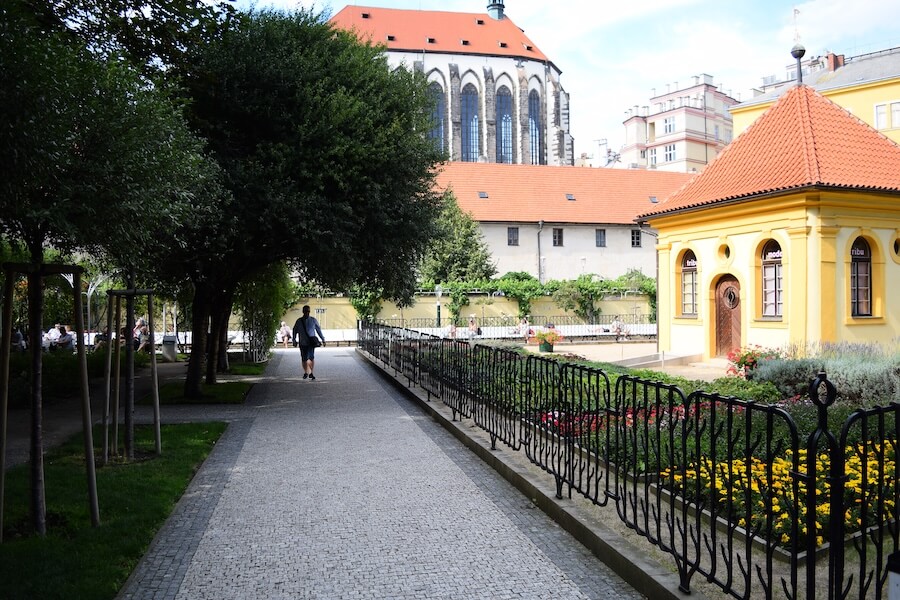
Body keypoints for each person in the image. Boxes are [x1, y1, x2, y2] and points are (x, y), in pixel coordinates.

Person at [292, 305, 325, 380]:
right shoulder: (299, 321)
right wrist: (294, 340)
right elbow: (294, 331)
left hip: (311, 343)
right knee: (304, 359)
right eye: (305, 311)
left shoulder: (313, 320)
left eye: (308, 311)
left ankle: (310, 373)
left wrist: (323, 339)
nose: (307, 313)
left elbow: (318, 330)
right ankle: (307, 372)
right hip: (302, 342)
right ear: (303, 312)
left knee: (311, 358)